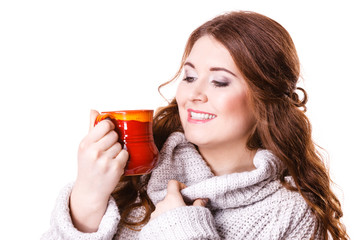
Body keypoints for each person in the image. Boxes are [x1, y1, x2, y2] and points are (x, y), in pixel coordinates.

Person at [42, 11, 348, 239]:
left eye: (219, 81)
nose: (193, 94)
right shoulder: (136, 178)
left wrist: (180, 228)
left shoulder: (291, 214)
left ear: (265, 98)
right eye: (189, 77)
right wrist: (87, 198)